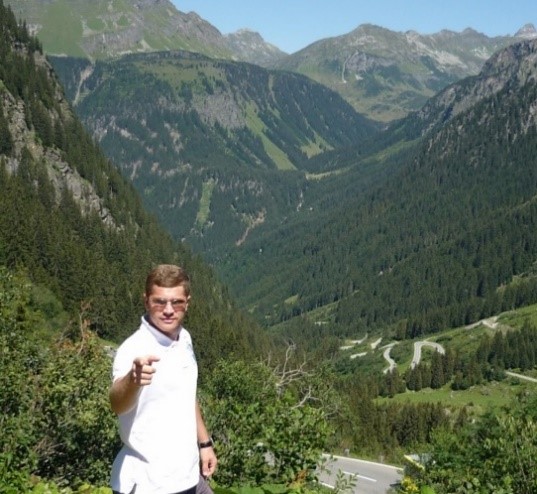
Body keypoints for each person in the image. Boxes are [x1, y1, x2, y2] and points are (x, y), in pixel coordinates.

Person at [109, 264, 217, 494]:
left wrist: (204, 443)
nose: (168, 310)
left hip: (188, 476)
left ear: (187, 302)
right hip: (150, 482)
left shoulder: (184, 339)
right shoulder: (133, 349)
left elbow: (186, 393)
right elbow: (117, 404)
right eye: (159, 302)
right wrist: (132, 380)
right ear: (146, 301)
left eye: (176, 302)